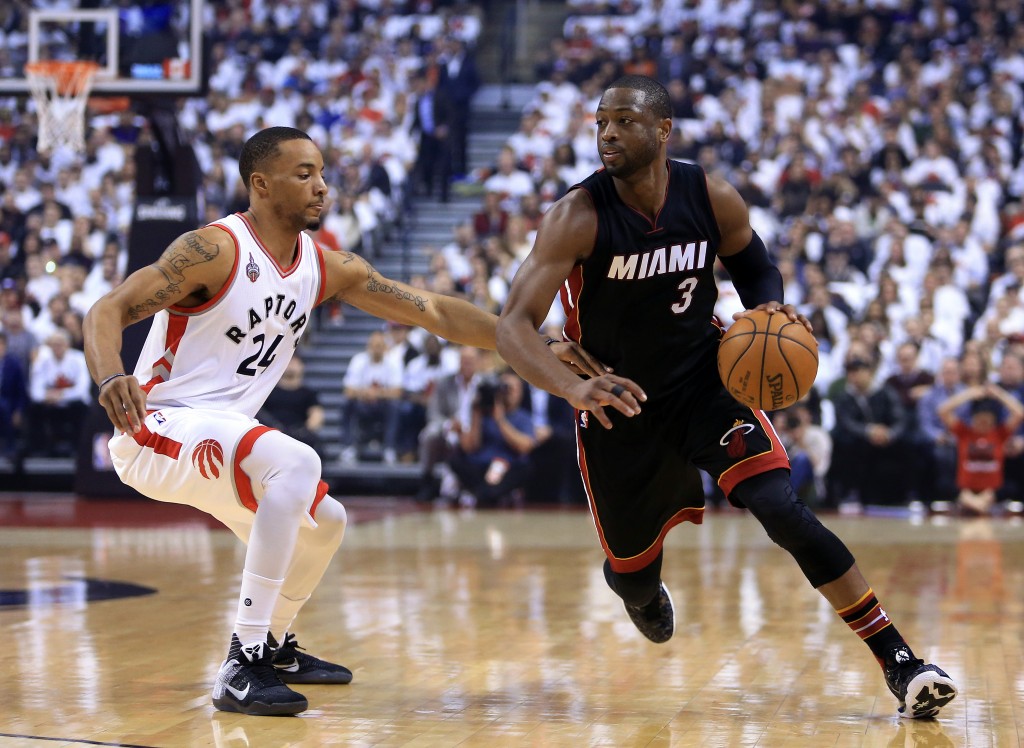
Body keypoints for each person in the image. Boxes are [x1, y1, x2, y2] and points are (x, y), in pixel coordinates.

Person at [83, 126, 602, 717]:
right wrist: (109, 376)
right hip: (157, 428)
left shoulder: (327, 267)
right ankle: (241, 660)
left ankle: (273, 646)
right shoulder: (214, 249)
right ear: (260, 184)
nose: (322, 186)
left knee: (327, 520)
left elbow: (434, 311)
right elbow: (109, 308)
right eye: (304, 174)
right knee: (296, 460)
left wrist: (528, 341)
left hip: (222, 435)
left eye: (322, 172)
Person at [494, 76, 957, 720]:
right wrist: (574, 385)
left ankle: (900, 661)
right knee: (631, 571)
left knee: (781, 507)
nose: (607, 134)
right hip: (617, 402)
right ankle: (636, 586)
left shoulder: (707, 194)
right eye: (600, 122)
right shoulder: (578, 216)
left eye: (624, 121)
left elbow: (753, 261)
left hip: (706, 380)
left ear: (662, 132)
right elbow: (511, 324)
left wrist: (769, 308)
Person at [938, 382, 1024, 515]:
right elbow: (943, 410)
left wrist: (999, 394)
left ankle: (978, 505)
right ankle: (974, 504)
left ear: (993, 420)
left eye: (987, 421)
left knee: (1009, 488)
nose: (983, 424)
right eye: (979, 420)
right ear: (973, 418)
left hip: (992, 491)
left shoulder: (999, 434)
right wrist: (969, 394)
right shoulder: (964, 433)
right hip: (966, 490)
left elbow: (1019, 413)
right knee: (948, 485)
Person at [256, 355, 325, 458]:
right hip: (271, 432)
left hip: (299, 434)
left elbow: (316, 415)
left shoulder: (308, 393)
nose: (291, 366)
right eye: (289, 362)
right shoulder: (268, 391)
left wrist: (303, 431)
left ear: (302, 366)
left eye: (295, 363)